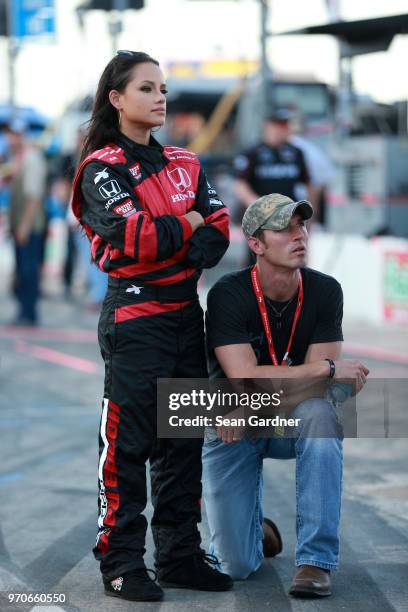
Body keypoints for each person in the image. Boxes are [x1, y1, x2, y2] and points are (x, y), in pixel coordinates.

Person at [71, 51, 232, 602]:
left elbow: (217, 235)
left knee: (183, 442)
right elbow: (137, 241)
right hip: (135, 320)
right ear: (117, 98)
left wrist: (179, 229)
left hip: (189, 317)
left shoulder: (187, 161)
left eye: (162, 87)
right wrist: (185, 224)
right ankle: (119, 564)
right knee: (129, 446)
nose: (160, 96)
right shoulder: (101, 168)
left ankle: (180, 556)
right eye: (146, 88)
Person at [202, 193, 369, 597]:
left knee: (321, 414)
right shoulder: (228, 293)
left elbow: (315, 391)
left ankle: (315, 561)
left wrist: (312, 380)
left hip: (279, 415)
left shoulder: (325, 291)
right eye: (285, 228)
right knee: (236, 566)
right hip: (232, 423)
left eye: (302, 225)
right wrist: (326, 369)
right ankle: (254, 531)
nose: (300, 235)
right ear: (257, 244)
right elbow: (241, 373)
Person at [6, 119, 47, 325]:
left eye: (13, 134)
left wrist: (24, 226)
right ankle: (24, 311)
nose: (9, 138)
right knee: (23, 269)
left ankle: (29, 313)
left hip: (30, 226)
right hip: (22, 224)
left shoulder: (31, 158)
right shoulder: (19, 159)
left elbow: (33, 197)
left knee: (28, 271)